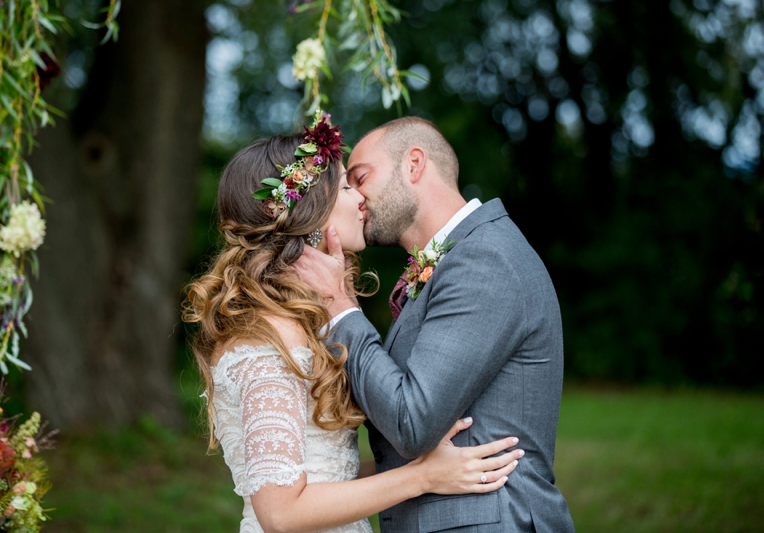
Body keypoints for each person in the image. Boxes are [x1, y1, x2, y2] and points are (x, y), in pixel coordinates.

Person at [182, 112, 525, 533]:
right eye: (346, 186)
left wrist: (422, 467)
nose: (360, 197)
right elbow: (280, 512)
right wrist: (422, 476)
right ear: (311, 212)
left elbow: (325, 477)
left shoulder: (306, 325)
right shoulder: (267, 336)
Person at [295, 117, 576, 533]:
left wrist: (340, 307)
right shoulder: (457, 259)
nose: (354, 196)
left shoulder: (483, 260)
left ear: (413, 164)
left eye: (360, 177)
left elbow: (412, 421)